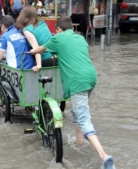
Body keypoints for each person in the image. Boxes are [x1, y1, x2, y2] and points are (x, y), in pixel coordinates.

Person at [30, 17, 115, 169]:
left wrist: (31, 50)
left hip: (78, 81)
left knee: (83, 119)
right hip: (91, 77)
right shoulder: (81, 38)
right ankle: (79, 142)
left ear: (58, 30)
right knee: (77, 113)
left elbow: (39, 50)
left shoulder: (58, 38)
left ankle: (104, 156)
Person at [16, 6, 55, 72]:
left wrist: (38, 65)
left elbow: (36, 48)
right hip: (55, 57)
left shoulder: (27, 30)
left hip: (45, 59)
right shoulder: (42, 23)